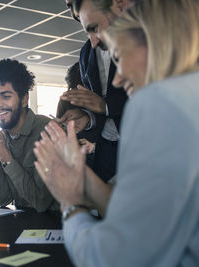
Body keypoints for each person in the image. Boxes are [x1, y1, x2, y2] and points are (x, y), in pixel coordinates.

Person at [34, 0, 199, 266]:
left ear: (153, 41)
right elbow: (141, 213)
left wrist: (71, 203)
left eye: (119, 56)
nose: (118, 80)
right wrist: (79, 176)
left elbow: (110, 257)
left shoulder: (157, 102)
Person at [60, 0, 130, 182]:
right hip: (106, 148)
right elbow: (96, 105)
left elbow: (146, 95)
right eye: (68, 4)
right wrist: (87, 118)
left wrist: (106, 107)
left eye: (94, 28)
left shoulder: (139, 41)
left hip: (138, 141)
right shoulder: (85, 53)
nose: (72, 8)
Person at [0, 59, 57, 213]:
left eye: (6, 96)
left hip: (56, 226)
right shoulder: (4, 136)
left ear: (24, 99)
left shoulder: (47, 131)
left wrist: (4, 155)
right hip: (23, 225)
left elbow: (40, 202)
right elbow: (3, 199)